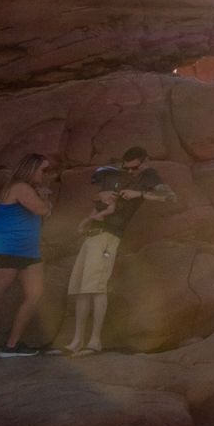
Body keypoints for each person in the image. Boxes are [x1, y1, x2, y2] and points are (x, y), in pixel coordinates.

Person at [60, 145, 174, 356]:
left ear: (145, 161)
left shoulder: (149, 174)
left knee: (96, 286)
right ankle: (77, 340)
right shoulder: (115, 173)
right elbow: (98, 198)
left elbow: (168, 196)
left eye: (134, 168)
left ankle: (94, 342)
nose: (130, 172)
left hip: (109, 236)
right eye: (127, 168)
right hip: (92, 234)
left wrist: (138, 193)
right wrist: (96, 203)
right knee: (81, 289)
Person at [0, 153, 54, 365]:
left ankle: (12, 346)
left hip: (28, 251)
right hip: (7, 250)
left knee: (34, 295)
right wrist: (45, 198)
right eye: (43, 169)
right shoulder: (20, 187)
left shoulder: (29, 189)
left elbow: (42, 214)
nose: (46, 174)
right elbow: (42, 210)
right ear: (31, 169)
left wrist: (43, 197)